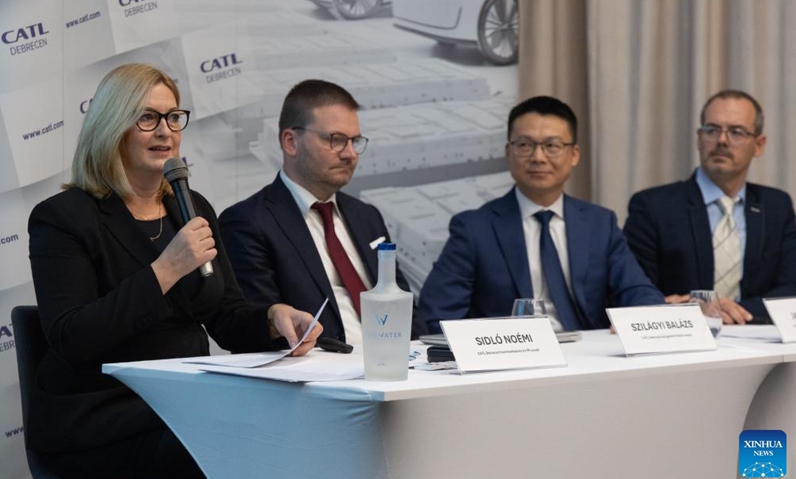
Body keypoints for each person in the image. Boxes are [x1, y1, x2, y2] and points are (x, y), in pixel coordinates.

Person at [27, 64, 322, 479]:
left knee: (291, 431)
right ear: (113, 126)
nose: (165, 131)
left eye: (173, 117)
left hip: (182, 404)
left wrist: (273, 319)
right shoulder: (62, 218)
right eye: (147, 117)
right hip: (101, 419)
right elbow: (73, 338)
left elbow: (226, 315)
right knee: (223, 450)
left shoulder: (191, 206)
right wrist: (165, 270)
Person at [418, 95, 664, 333]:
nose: (538, 157)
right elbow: (438, 313)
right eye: (525, 145)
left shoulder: (600, 224)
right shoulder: (474, 229)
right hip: (510, 360)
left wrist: (641, 318)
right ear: (508, 152)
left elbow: (638, 291)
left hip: (588, 356)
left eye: (552, 146)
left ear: (574, 154)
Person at [219, 79, 427, 345]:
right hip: (318, 374)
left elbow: (404, 306)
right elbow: (257, 328)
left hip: (397, 367)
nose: (351, 154)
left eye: (355, 141)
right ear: (291, 142)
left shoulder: (367, 216)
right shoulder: (248, 222)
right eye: (337, 140)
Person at [624, 89, 796, 324]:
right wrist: (694, 311)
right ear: (699, 138)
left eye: (736, 132)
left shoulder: (776, 206)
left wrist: (729, 311)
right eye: (712, 130)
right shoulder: (653, 206)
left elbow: (792, 287)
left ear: (759, 145)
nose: (722, 140)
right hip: (681, 342)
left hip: (756, 340)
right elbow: (634, 290)